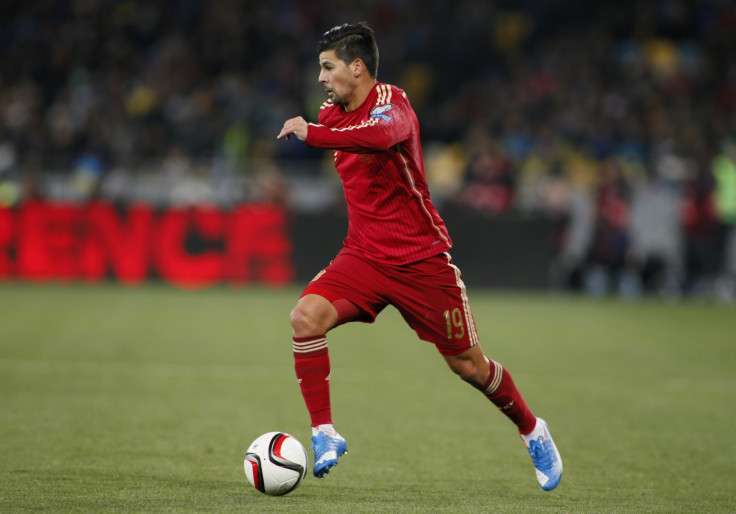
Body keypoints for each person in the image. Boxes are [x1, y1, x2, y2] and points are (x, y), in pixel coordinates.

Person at [276, 22, 562, 491]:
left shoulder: (395, 104)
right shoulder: (329, 115)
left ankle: (533, 429)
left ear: (357, 67)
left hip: (420, 259)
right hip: (364, 256)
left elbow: (377, 138)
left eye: (328, 68)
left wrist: (311, 134)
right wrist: (316, 130)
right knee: (305, 317)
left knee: (469, 366)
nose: (322, 79)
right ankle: (324, 433)